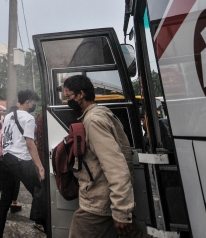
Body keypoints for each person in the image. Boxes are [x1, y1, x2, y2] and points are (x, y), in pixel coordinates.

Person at [63, 75, 152, 238]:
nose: (67, 101)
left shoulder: (93, 121)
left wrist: (120, 210)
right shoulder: (101, 114)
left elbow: (116, 167)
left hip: (100, 201)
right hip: (108, 197)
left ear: (80, 94)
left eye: (68, 97)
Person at [0, 90, 44, 238]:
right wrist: (40, 167)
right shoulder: (29, 118)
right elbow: (30, 143)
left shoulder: (9, 116)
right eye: (33, 102)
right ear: (28, 102)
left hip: (7, 159)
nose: (34, 105)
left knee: (4, 201)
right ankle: (45, 226)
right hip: (21, 160)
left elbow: (5, 137)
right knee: (40, 193)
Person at [0, 120, 22, 222]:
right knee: (16, 177)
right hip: (9, 156)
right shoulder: (15, 123)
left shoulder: (1, 122)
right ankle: (13, 202)